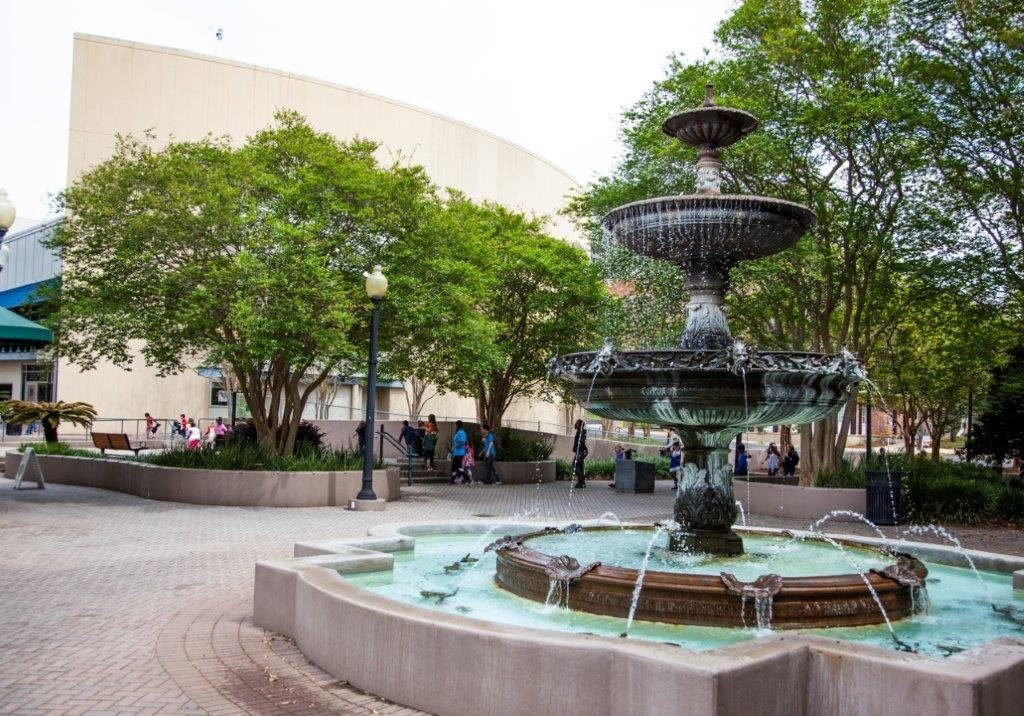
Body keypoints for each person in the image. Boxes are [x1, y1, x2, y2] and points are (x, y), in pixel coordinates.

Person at [450, 420, 469, 484]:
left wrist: (454, 447)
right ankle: (465, 479)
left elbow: (462, 442)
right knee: (458, 467)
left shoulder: (461, 433)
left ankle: (466, 478)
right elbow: (466, 442)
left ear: (457, 426)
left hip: (459, 453)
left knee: (454, 467)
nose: (455, 427)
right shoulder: (460, 432)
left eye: (456, 425)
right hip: (458, 452)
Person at [572, 419, 588, 489]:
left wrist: (584, 450)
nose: (575, 424)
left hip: (581, 451)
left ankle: (581, 481)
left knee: (574, 465)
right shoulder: (580, 431)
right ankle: (582, 483)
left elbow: (581, 441)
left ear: (579, 425)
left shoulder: (581, 431)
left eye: (576, 423)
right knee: (580, 466)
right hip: (580, 451)